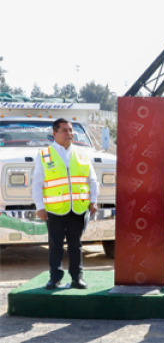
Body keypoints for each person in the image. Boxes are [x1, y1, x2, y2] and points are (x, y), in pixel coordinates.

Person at [32, 118, 98, 290]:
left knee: (76, 245)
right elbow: (37, 182)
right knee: (55, 245)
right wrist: (40, 206)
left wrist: (94, 201)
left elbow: (92, 180)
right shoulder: (44, 154)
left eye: (70, 130)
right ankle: (55, 278)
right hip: (55, 209)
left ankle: (77, 277)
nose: (69, 133)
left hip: (77, 207)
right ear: (55, 134)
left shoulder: (82, 153)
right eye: (64, 130)